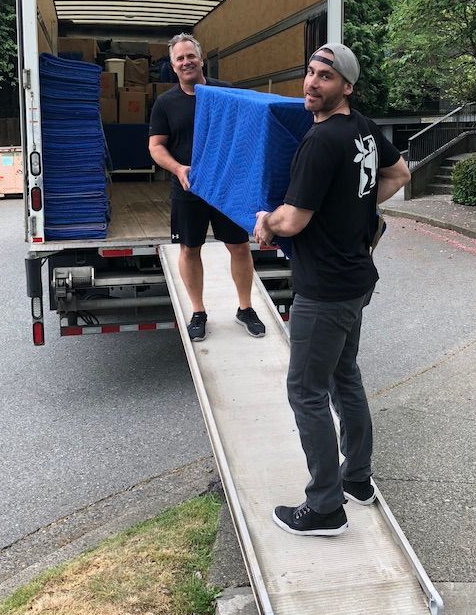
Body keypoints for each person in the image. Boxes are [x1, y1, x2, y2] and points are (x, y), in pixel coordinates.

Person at [254, 43, 410, 536]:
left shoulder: (321, 142)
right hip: (355, 278)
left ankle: (324, 506)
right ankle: (357, 480)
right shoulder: (363, 127)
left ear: (346, 86)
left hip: (324, 288)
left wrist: (265, 223)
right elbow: (400, 173)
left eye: (325, 76)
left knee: (306, 391)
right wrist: (355, 209)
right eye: (310, 72)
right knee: (344, 375)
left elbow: (294, 220)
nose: (312, 82)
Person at [149, 33, 266, 342]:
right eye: (180, 58)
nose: (186, 62)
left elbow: (249, 132)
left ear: (201, 60)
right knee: (190, 249)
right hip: (189, 188)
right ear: (173, 66)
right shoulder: (165, 103)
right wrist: (177, 168)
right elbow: (156, 146)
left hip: (227, 186)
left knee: (239, 246)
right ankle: (198, 312)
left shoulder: (227, 94)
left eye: (191, 56)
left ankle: (245, 308)